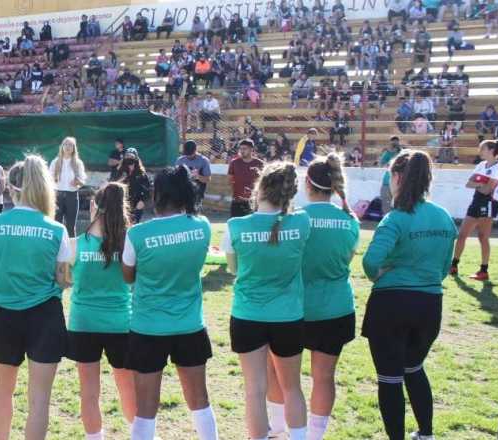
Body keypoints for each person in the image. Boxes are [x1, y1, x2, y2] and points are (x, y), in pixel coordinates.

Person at [0, 155, 72, 440]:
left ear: (10, 189)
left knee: (3, 392)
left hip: (5, 315)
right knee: (40, 400)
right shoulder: (57, 229)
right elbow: (64, 279)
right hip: (45, 317)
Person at [362, 150, 456, 440]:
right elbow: (443, 269)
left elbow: (370, 263)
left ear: (398, 177)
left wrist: (387, 272)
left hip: (391, 305)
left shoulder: (395, 218)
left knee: (390, 378)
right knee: (414, 367)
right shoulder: (443, 217)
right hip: (429, 305)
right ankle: (426, 433)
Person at [265, 154, 359, 440]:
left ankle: (278, 429)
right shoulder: (349, 220)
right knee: (324, 376)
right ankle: (314, 436)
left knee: (279, 373)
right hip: (337, 308)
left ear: (308, 183)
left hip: (296, 308)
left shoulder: (296, 219)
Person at [121, 166, 218, 440]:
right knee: (200, 399)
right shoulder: (202, 227)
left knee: (146, 408)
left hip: (148, 328)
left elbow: (128, 276)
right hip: (189, 325)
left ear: (157, 194)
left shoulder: (137, 234)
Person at [221, 161, 311, 440]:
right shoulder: (302, 221)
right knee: (292, 387)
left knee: (254, 390)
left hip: (248, 316)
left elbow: (234, 269)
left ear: (259, 189)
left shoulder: (235, 226)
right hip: (288, 317)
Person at [64, 182, 136, 440]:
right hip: (121, 323)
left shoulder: (75, 244)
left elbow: (67, 280)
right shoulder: (130, 241)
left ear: (94, 205)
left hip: (83, 324)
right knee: (128, 388)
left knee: (89, 392)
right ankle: (141, 435)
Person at [450, 140, 498, 280]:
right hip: (476, 201)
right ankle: (454, 265)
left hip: (489, 204)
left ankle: (483, 270)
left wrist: (479, 182)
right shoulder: (481, 165)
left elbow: (487, 191)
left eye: (483, 149)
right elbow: (468, 184)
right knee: (462, 235)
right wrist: (483, 182)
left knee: (482, 237)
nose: (480, 151)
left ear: (491, 150)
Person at [50, 137, 87, 237]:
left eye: (70, 145)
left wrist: (77, 181)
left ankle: (71, 251)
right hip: (57, 195)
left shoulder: (78, 163)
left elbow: (83, 181)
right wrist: (53, 179)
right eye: (65, 144)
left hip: (72, 196)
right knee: (56, 225)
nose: (67, 147)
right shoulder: (55, 161)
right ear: (61, 147)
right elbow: (48, 179)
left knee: (70, 227)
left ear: (74, 148)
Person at [228, 140, 265, 218]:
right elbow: (230, 180)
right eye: (240, 149)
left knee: (253, 227)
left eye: (244, 149)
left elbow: (263, 182)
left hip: (254, 201)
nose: (242, 151)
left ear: (251, 149)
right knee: (235, 225)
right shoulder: (234, 163)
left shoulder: (260, 163)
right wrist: (234, 195)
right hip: (237, 201)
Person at [115, 149, 151, 224]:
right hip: (123, 202)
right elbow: (115, 184)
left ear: (136, 158)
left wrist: (142, 201)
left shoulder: (141, 174)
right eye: (127, 156)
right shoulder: (122, 171)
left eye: (131, 156)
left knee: (134, 224)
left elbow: (147, 190)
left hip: (137, 204)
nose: (129, 158)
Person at [175, 141, 212, 211]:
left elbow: (208, 179)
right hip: (182, 194)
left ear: (196, 150)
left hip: (197, 194)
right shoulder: (180, 160)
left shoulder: (203, 161)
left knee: (194, 214)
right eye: (187, 154)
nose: (188, 156)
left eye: (190, 154)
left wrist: (198, 176)